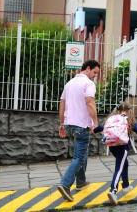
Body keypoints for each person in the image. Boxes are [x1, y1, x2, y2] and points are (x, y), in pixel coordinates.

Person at [57, 60, 100, 202]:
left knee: (82, 152)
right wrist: (95, 122)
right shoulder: (88, 84)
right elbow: (90, 102)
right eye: (94, 72)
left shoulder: (69, 84)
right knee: (79, 157)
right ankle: (65, 184)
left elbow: (62, 103)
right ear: (88, 68)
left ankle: (81, 182)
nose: (95, 76)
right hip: (81, 125)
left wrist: (62, 123)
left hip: (69, 124)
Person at [104, 101, 137, 205]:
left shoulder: (112, 119)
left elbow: (101, 128)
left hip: (112, 145)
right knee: (119, 167)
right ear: (129, 110)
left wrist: (93, 129)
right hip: (122, 147)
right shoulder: (128, 120)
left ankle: (126, 185)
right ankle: (113, 191)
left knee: (124, 163)